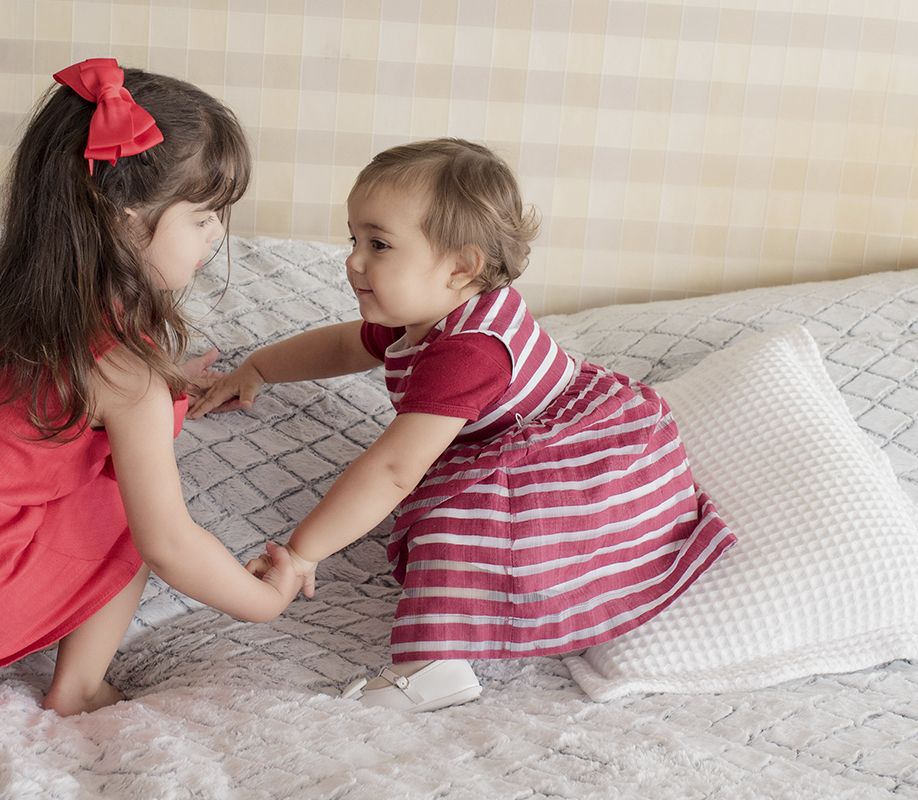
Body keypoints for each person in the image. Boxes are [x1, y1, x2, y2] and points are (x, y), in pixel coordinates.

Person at [189, 138, 736, 713]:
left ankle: (432, 667)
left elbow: (393, 470)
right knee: (445, 502)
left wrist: (302, 553)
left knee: (457, 521)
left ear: (462, 267)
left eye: (378, 244)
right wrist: (257, 369)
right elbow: (347, 344)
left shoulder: (469, 352)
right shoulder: (423, 310)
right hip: (537, 430)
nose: (352, 260)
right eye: (354, 239)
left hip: (573, 459)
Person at [0, 59, 302, 716]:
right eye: (203, 217)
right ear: (125, 217)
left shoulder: (9, 313)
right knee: (131, 511)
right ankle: (78, 688)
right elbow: (169, 545)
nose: (218, 233)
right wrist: (263, 601)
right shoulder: (126, 375)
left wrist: (164, 388)